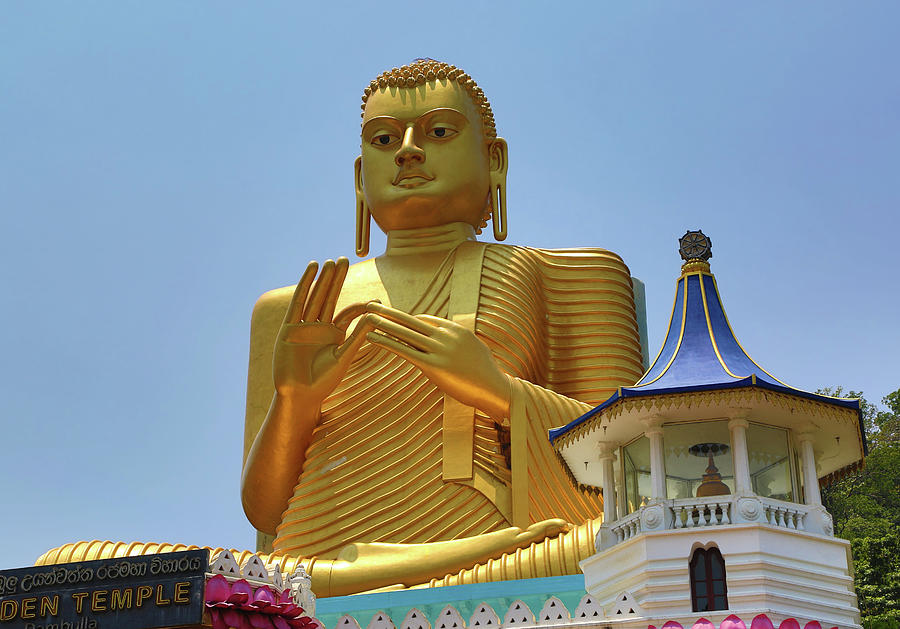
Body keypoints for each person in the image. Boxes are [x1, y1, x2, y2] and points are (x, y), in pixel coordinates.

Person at [38, 60, 645, 597]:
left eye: (437, 132)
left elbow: (632, 478)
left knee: (618, 539)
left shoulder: (561, 274)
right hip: (305, 563)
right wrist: (295, 403)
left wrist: (500, 393)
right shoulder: (294, 306)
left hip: (505, 556)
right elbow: (265, 511)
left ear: (494, 160)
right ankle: (326, 584)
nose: (408, 151)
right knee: (71, 567)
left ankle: (366, 579)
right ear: (361, 176)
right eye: (384, 140)